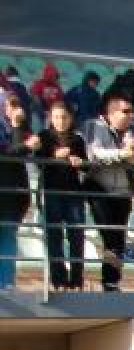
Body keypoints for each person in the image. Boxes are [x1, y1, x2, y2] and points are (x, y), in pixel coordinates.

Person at [83, 91, 134, 292]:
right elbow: (94, 153)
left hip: (124, 192)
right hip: (100, 189)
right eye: (126, 111)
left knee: (118, 238)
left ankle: (112, 281)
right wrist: (123, 154)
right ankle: (109, 281)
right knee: (109, 237)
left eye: (132, 111)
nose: (131, 115)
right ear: (111, 112)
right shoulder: (94, 126)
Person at [36, 101, 88, 291]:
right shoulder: (44, 137)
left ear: (70, 118)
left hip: (74, 192)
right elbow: (37, 163)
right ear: (51, 118)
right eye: (56, 117)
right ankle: (58, 279)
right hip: (52, 191)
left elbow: (86, 165)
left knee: (76, 235)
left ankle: (76, 279)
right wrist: (54, 157)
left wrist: (79, 162)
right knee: (54, 236)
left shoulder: (77, 139)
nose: (60, 121)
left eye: (64, 117)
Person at [0, 94, 37, 290]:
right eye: (9, 105)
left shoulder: (18, 127)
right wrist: (23, 142)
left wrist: (18, 128)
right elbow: (9, 154)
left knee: (8, 236)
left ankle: (6, 283)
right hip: (4, 190)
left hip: (15, 195)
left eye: (16, 105)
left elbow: (21, 152)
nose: (13, 109)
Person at [30, 64, 65, 128]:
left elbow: (61, 101)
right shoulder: (39, 84)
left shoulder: (58, 87)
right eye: (55, 76)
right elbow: (35, 98)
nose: (56, 79)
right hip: (39, 114)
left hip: (52, 114)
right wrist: (43, 111)